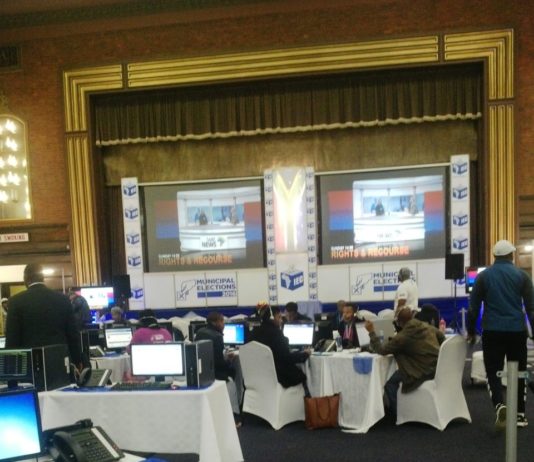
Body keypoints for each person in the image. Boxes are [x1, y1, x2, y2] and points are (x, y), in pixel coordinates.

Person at [467, 240, 534, 430]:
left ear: (494, 256)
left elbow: (473, 309)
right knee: (519, 371)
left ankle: (500, 406)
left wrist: (471, 331)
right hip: (516, 331)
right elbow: (531, 308)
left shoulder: (483, 277)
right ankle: (520, 414)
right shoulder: (522, 275)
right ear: (512, 255)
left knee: (492, 372)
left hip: (492, 331)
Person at [365, 307, 444, 417]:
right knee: (396, 374)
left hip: (420, 372)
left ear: (399, 322)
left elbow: (381, 350)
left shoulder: (403, 337)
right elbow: (442, 337)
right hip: (436, 367)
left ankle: (399, 413)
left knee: (389, 382)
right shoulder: (427, 326)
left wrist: (371, 332)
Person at [5, 263, 82, 367]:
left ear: (25, 279)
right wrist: (78, 360)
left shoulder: (15, 302)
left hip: (30, 364)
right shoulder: (63, 299)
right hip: (59, 362)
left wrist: (10, 367)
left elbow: (12, 339)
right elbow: (72, 335)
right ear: (42, 278)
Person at [250, 305, 310, 392]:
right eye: (279, 317)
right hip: (278, 376)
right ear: (271, 318)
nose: (281, 320)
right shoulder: (276, 334)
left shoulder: (253, 332)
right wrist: (304, 355)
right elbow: (287, 358)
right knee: (302, 376)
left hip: (257, 376)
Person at [195, 311, 235, 381]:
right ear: (214, 323)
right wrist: (229, 361)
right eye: (221, 321)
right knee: (234, 370)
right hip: (215, 373)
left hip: (200, 371)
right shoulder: (217, 336)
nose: (223, 324)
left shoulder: (200, 331)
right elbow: (219, 363)